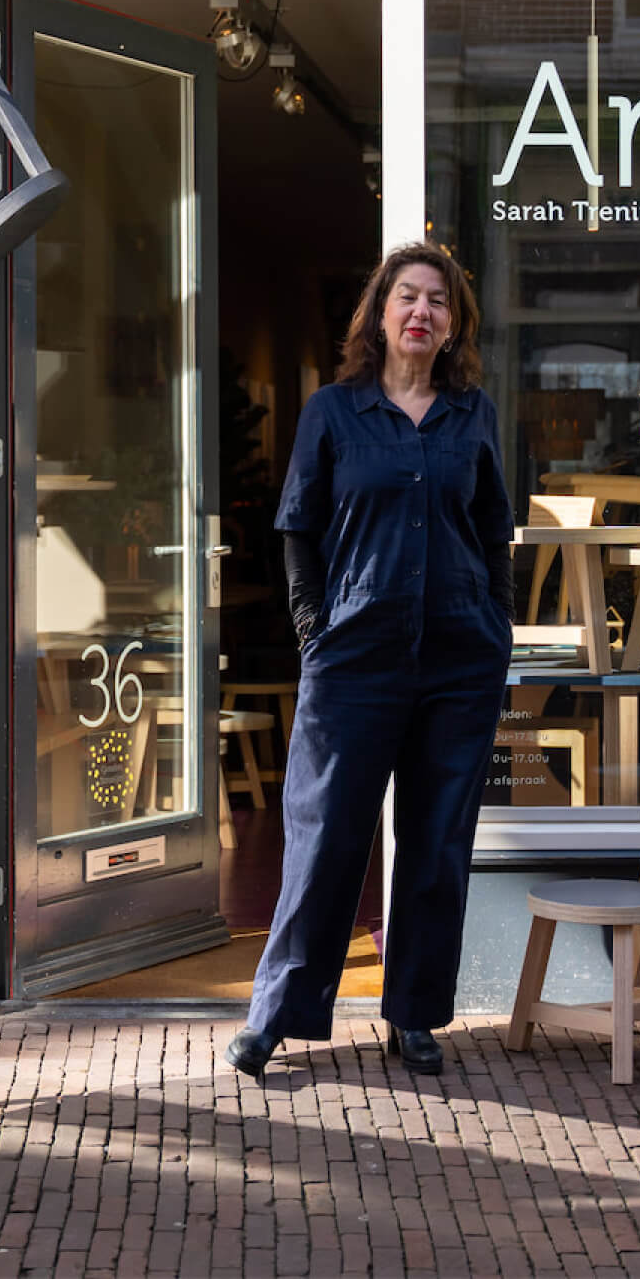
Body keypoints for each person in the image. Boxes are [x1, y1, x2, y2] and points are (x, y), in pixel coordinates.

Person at [225, 240, 515, 1079]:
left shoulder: (473, 416)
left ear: (453, 326)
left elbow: (493, 531)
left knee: (435, 845)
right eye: (408, 298)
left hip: (459, 657)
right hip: (355, 658)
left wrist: (494, 625)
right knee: (324, 840)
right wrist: (316, 629)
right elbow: (297, 529)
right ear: (380, 315)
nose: (421, 311)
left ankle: (415, 1014)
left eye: (438, 301)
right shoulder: (333, 412)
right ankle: (277, 1013)